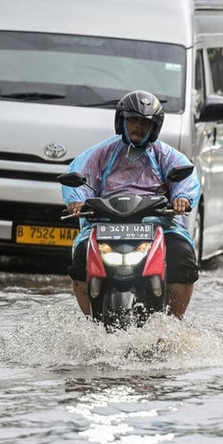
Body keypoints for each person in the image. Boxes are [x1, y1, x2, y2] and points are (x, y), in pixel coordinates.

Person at [63, 90, 201, 319]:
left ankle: (174, 325)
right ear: (122, 122)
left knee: (184, 259)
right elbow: (78, 174)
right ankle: (90, 322)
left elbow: (186, 178)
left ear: (154, 127)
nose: (138, 126)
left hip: (160, 225)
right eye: (133, 120)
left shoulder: (165, 154)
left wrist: (182, 198)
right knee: (79, 262)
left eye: (145, 123)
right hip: (104, 222)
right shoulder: (101, 152)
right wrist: (76, 200)